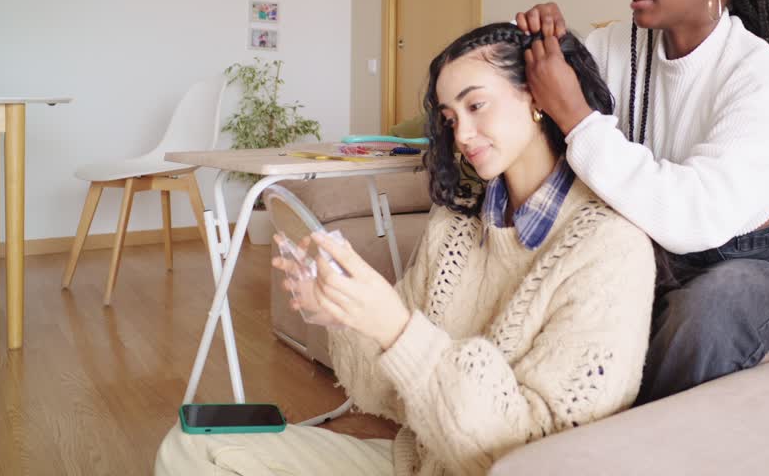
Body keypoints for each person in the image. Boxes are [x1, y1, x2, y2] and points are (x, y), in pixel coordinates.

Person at [155, 23, 656, 476]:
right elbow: (386, 398)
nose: (461, 133)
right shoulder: (457, 226)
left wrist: (396, 328)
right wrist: (344, 316)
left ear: (537, 98)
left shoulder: (610, 248)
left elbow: (528, 456)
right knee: (193, 448)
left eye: (476, 105)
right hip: (412, 465)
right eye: (449, 115)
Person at [516, 0, 769, 404]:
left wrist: (577, 117)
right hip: (645, 251)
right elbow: (515, 94)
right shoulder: (614, 47)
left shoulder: (764, 77)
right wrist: (533, 36)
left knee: (707, 314)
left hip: (753, 259)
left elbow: (693, 217)